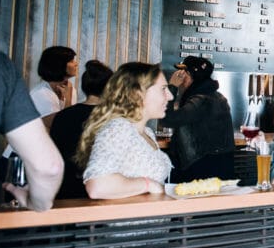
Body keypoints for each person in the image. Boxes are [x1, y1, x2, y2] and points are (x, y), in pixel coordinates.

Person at [75, 62, 173, 199]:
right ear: (137, 93)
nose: (170, 96)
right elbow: (97, 186)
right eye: (163, 89)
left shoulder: (146, 132)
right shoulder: (119, 128)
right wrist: (148, 184)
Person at [0, 47, 64, 211]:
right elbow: (49, 166)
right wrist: (38, 205)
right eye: (72, 59)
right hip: (17, 160)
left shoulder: (52, 92)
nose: (76, 63)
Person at [162, 56, 235, 181]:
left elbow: (167, 119)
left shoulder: (200, 101)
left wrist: (172, 86)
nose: (180, 78)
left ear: (191, 76)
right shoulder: (217, 96)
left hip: (201, 169)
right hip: (218, 166)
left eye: (183, 74)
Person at [49, 59, 113, 199]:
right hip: (99, 190)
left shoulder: (63, 115)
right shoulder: (113, 119)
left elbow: (53, 154)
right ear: (110, 88)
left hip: (63, 189)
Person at [30, 45, 79, 129]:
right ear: (59, 64)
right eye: (71, 61)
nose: (76, 64)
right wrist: (68, 99)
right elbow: (61, 127)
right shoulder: (41, 94)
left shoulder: (71, 89)